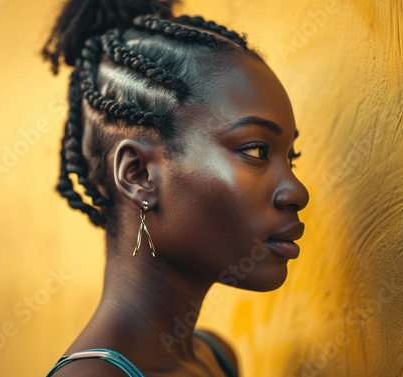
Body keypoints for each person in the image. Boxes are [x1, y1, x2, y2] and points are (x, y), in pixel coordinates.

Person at [42, 0, 309, 375]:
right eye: (256, 150)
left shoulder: (216, 357)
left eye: (290, 158)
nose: (297, 192)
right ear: (138, 175)